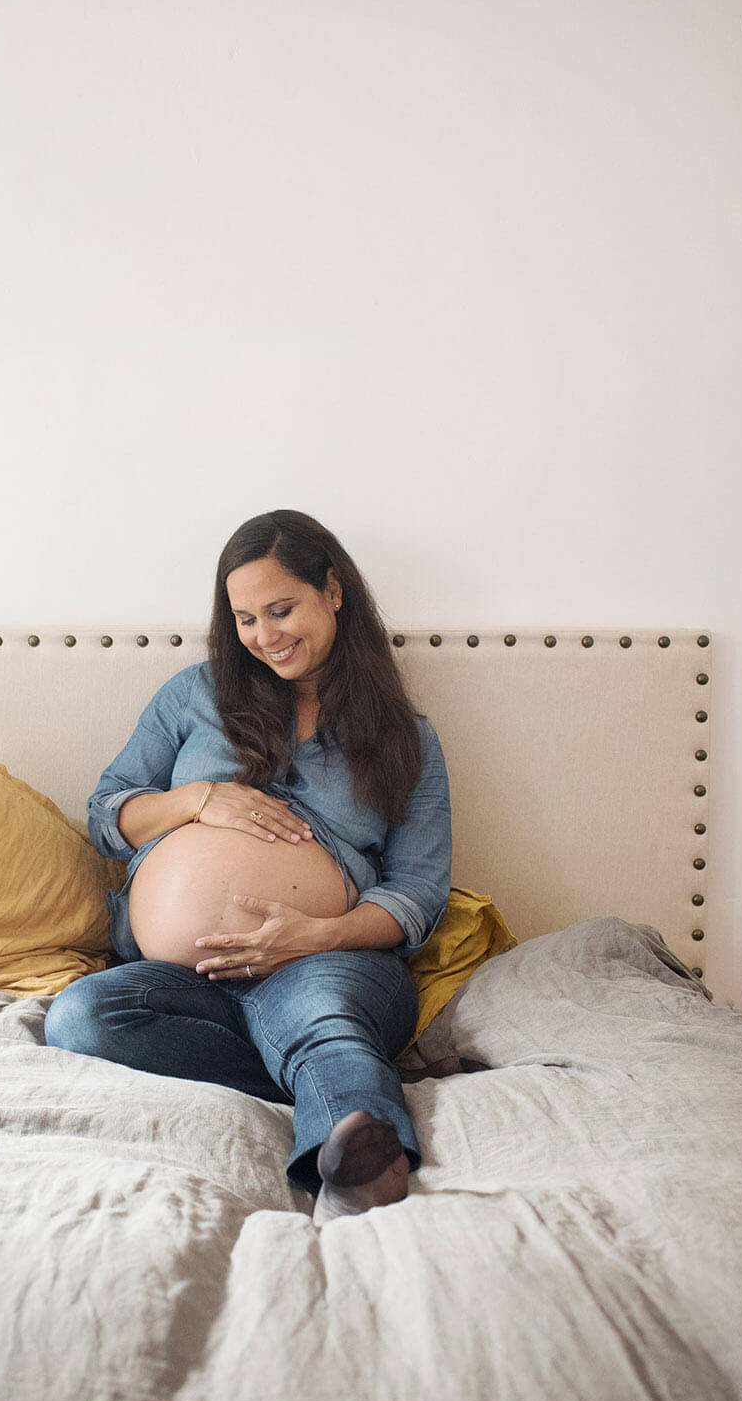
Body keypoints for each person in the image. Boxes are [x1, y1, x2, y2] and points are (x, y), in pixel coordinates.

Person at [44, 509, 452, 1227]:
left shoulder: (404, 738)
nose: (267, 635)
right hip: (191, 982)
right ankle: (321, 1076)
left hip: (328, 960)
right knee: (81, 1015)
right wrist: (199, 800)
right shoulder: (192, 696)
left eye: (282, 608)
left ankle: (355, 1163)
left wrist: (312, 936)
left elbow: (418, 892)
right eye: (246, 619)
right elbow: (107, 814)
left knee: (320, 1014)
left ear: (332, 590)